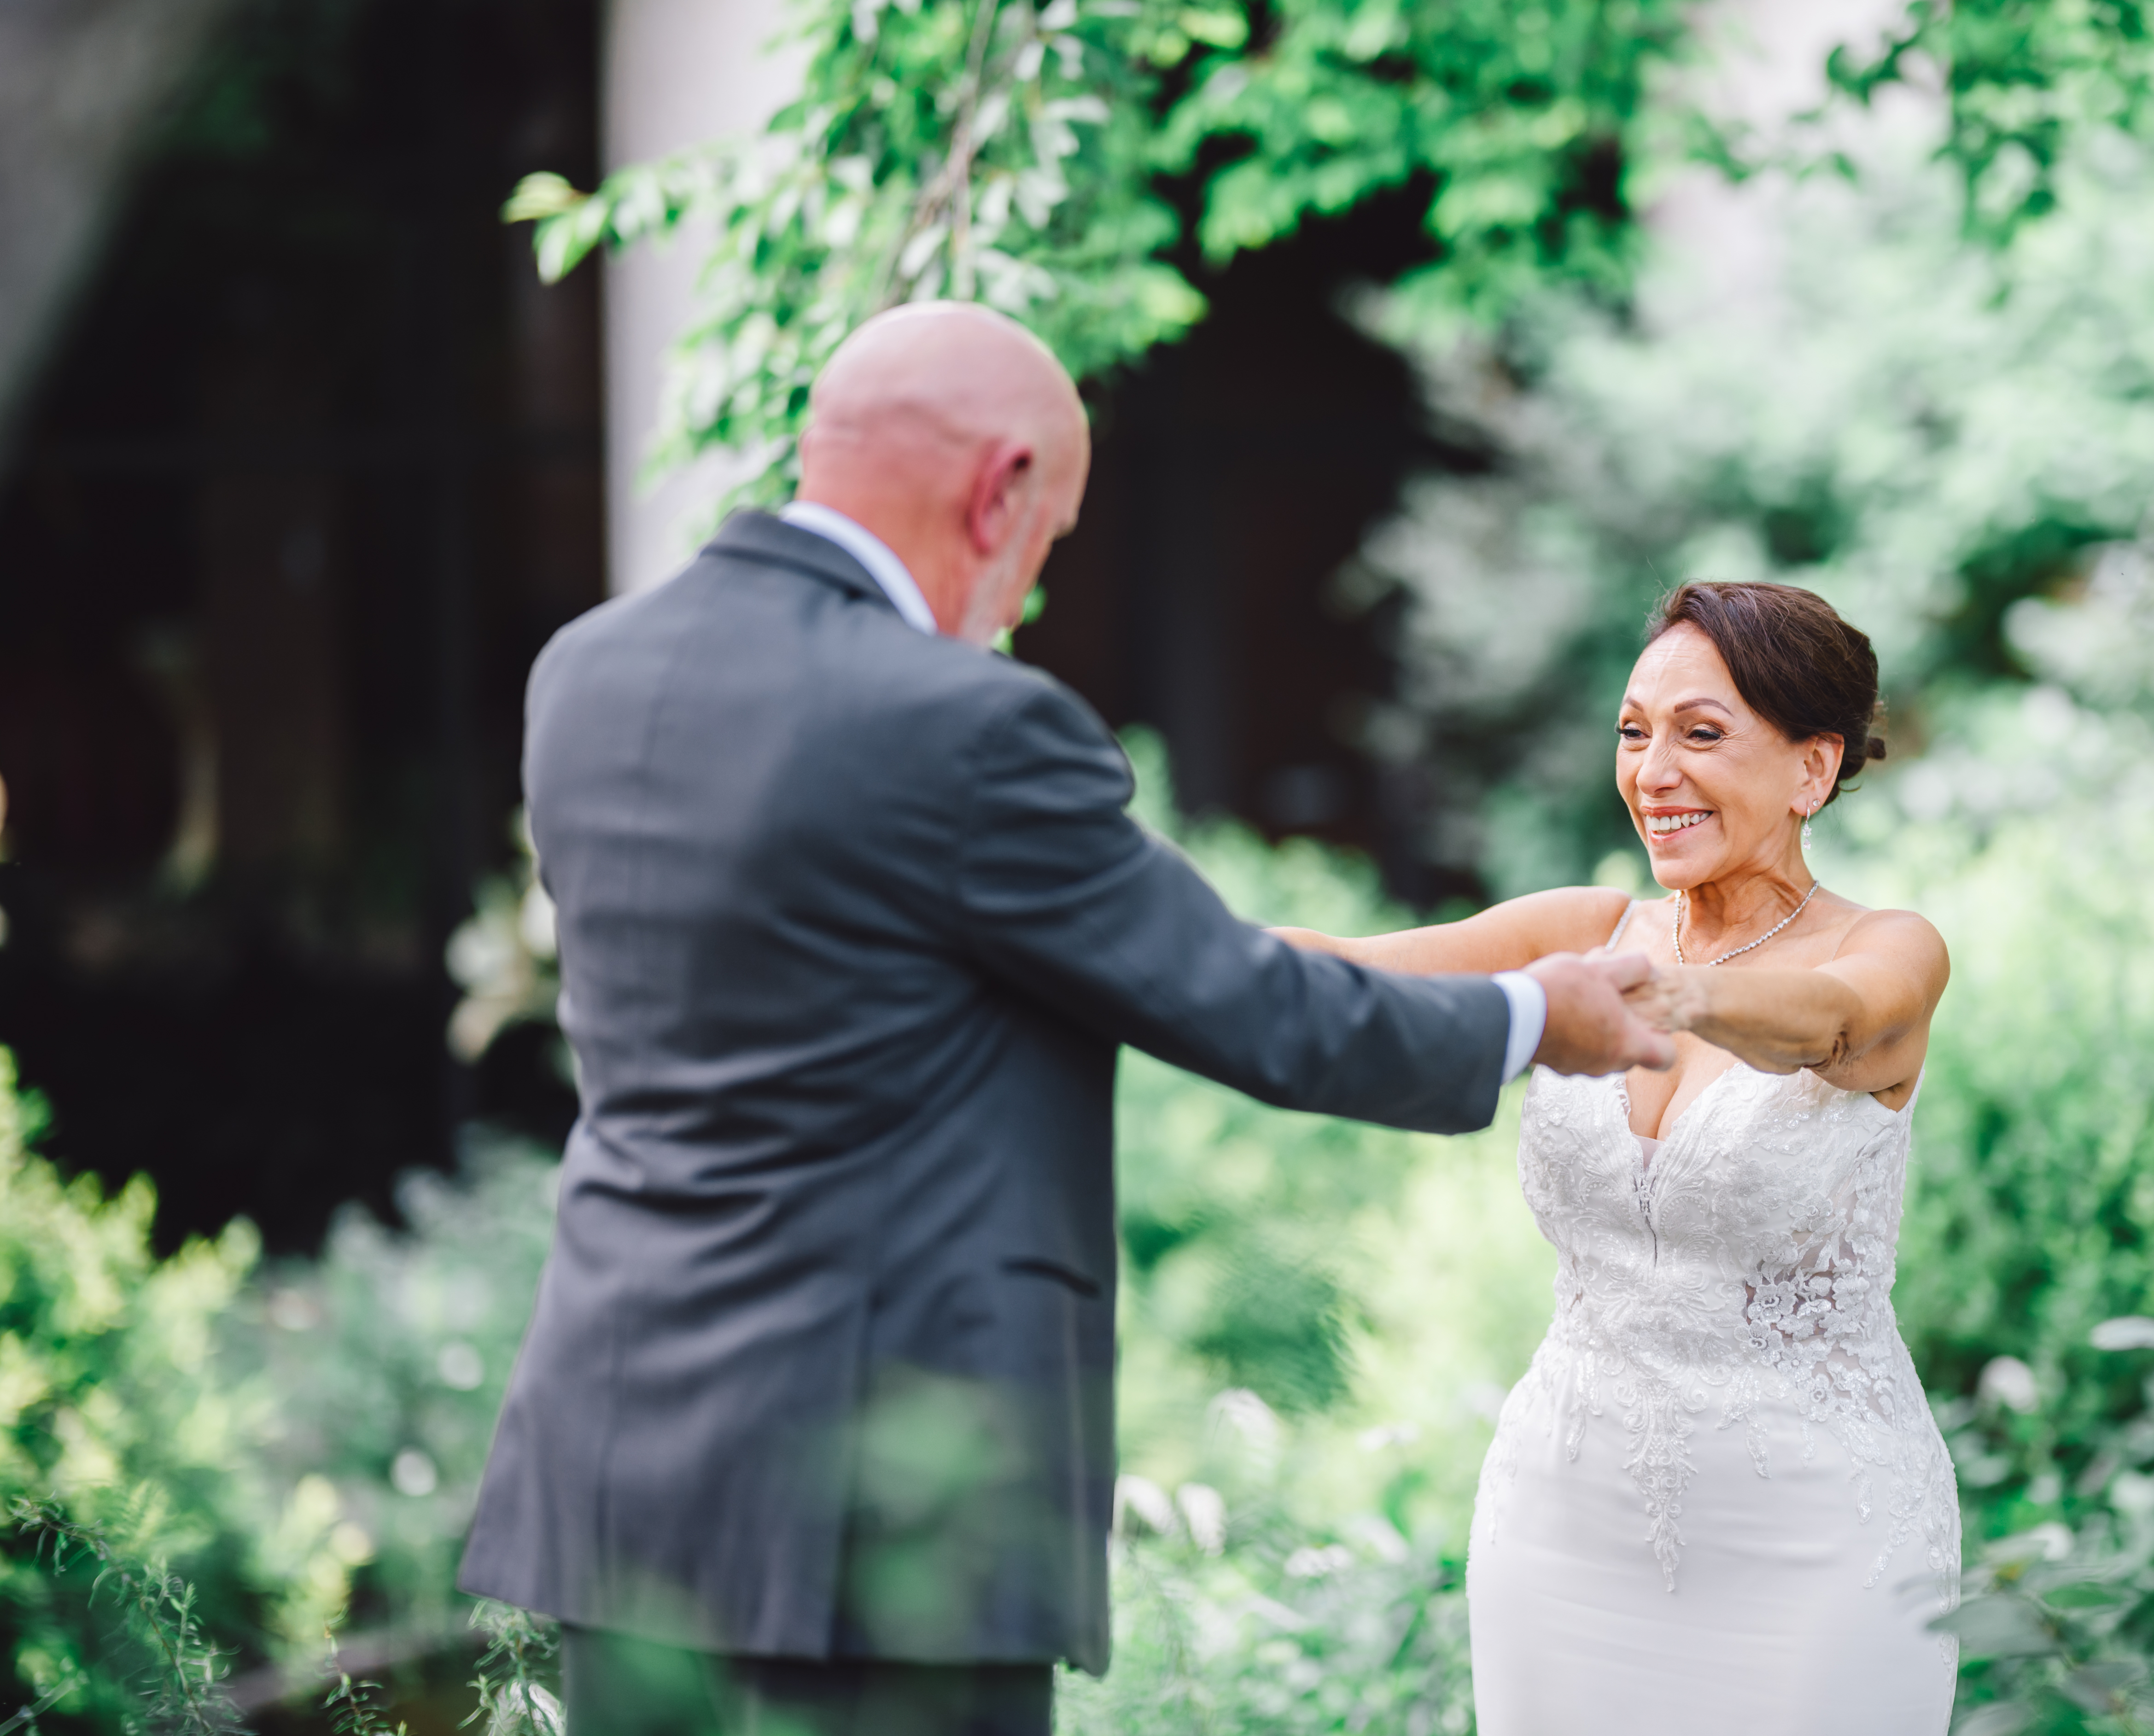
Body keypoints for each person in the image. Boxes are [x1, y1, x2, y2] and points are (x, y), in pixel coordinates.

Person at [454, 302, 1674, 1736]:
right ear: (1001, 490)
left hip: (621, 1469)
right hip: (883, 1497)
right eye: (1055, 533)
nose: (1033, 580)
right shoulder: (968, 727)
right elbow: (1244, 1003)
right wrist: (1537, 1015)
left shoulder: (588, 674)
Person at [1275, 581, 1958, 1733]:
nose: (1653, 770)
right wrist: (1102, 920)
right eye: (1633, 732)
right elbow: (1340, 967)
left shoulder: (1889, 950)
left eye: (1701, 733)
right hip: (1559, 1527)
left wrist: (1674, 992)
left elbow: (1836, 1021)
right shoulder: (1580, 930)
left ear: (1810, 769)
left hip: (1815, 1543)